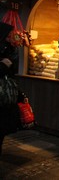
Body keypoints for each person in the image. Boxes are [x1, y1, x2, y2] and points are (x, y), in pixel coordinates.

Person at [0, 22, 20, 157]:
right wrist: (2, 65)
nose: (9, 39)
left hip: (4, 102)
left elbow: (11, 76)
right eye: (7, 36)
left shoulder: (8, 50)